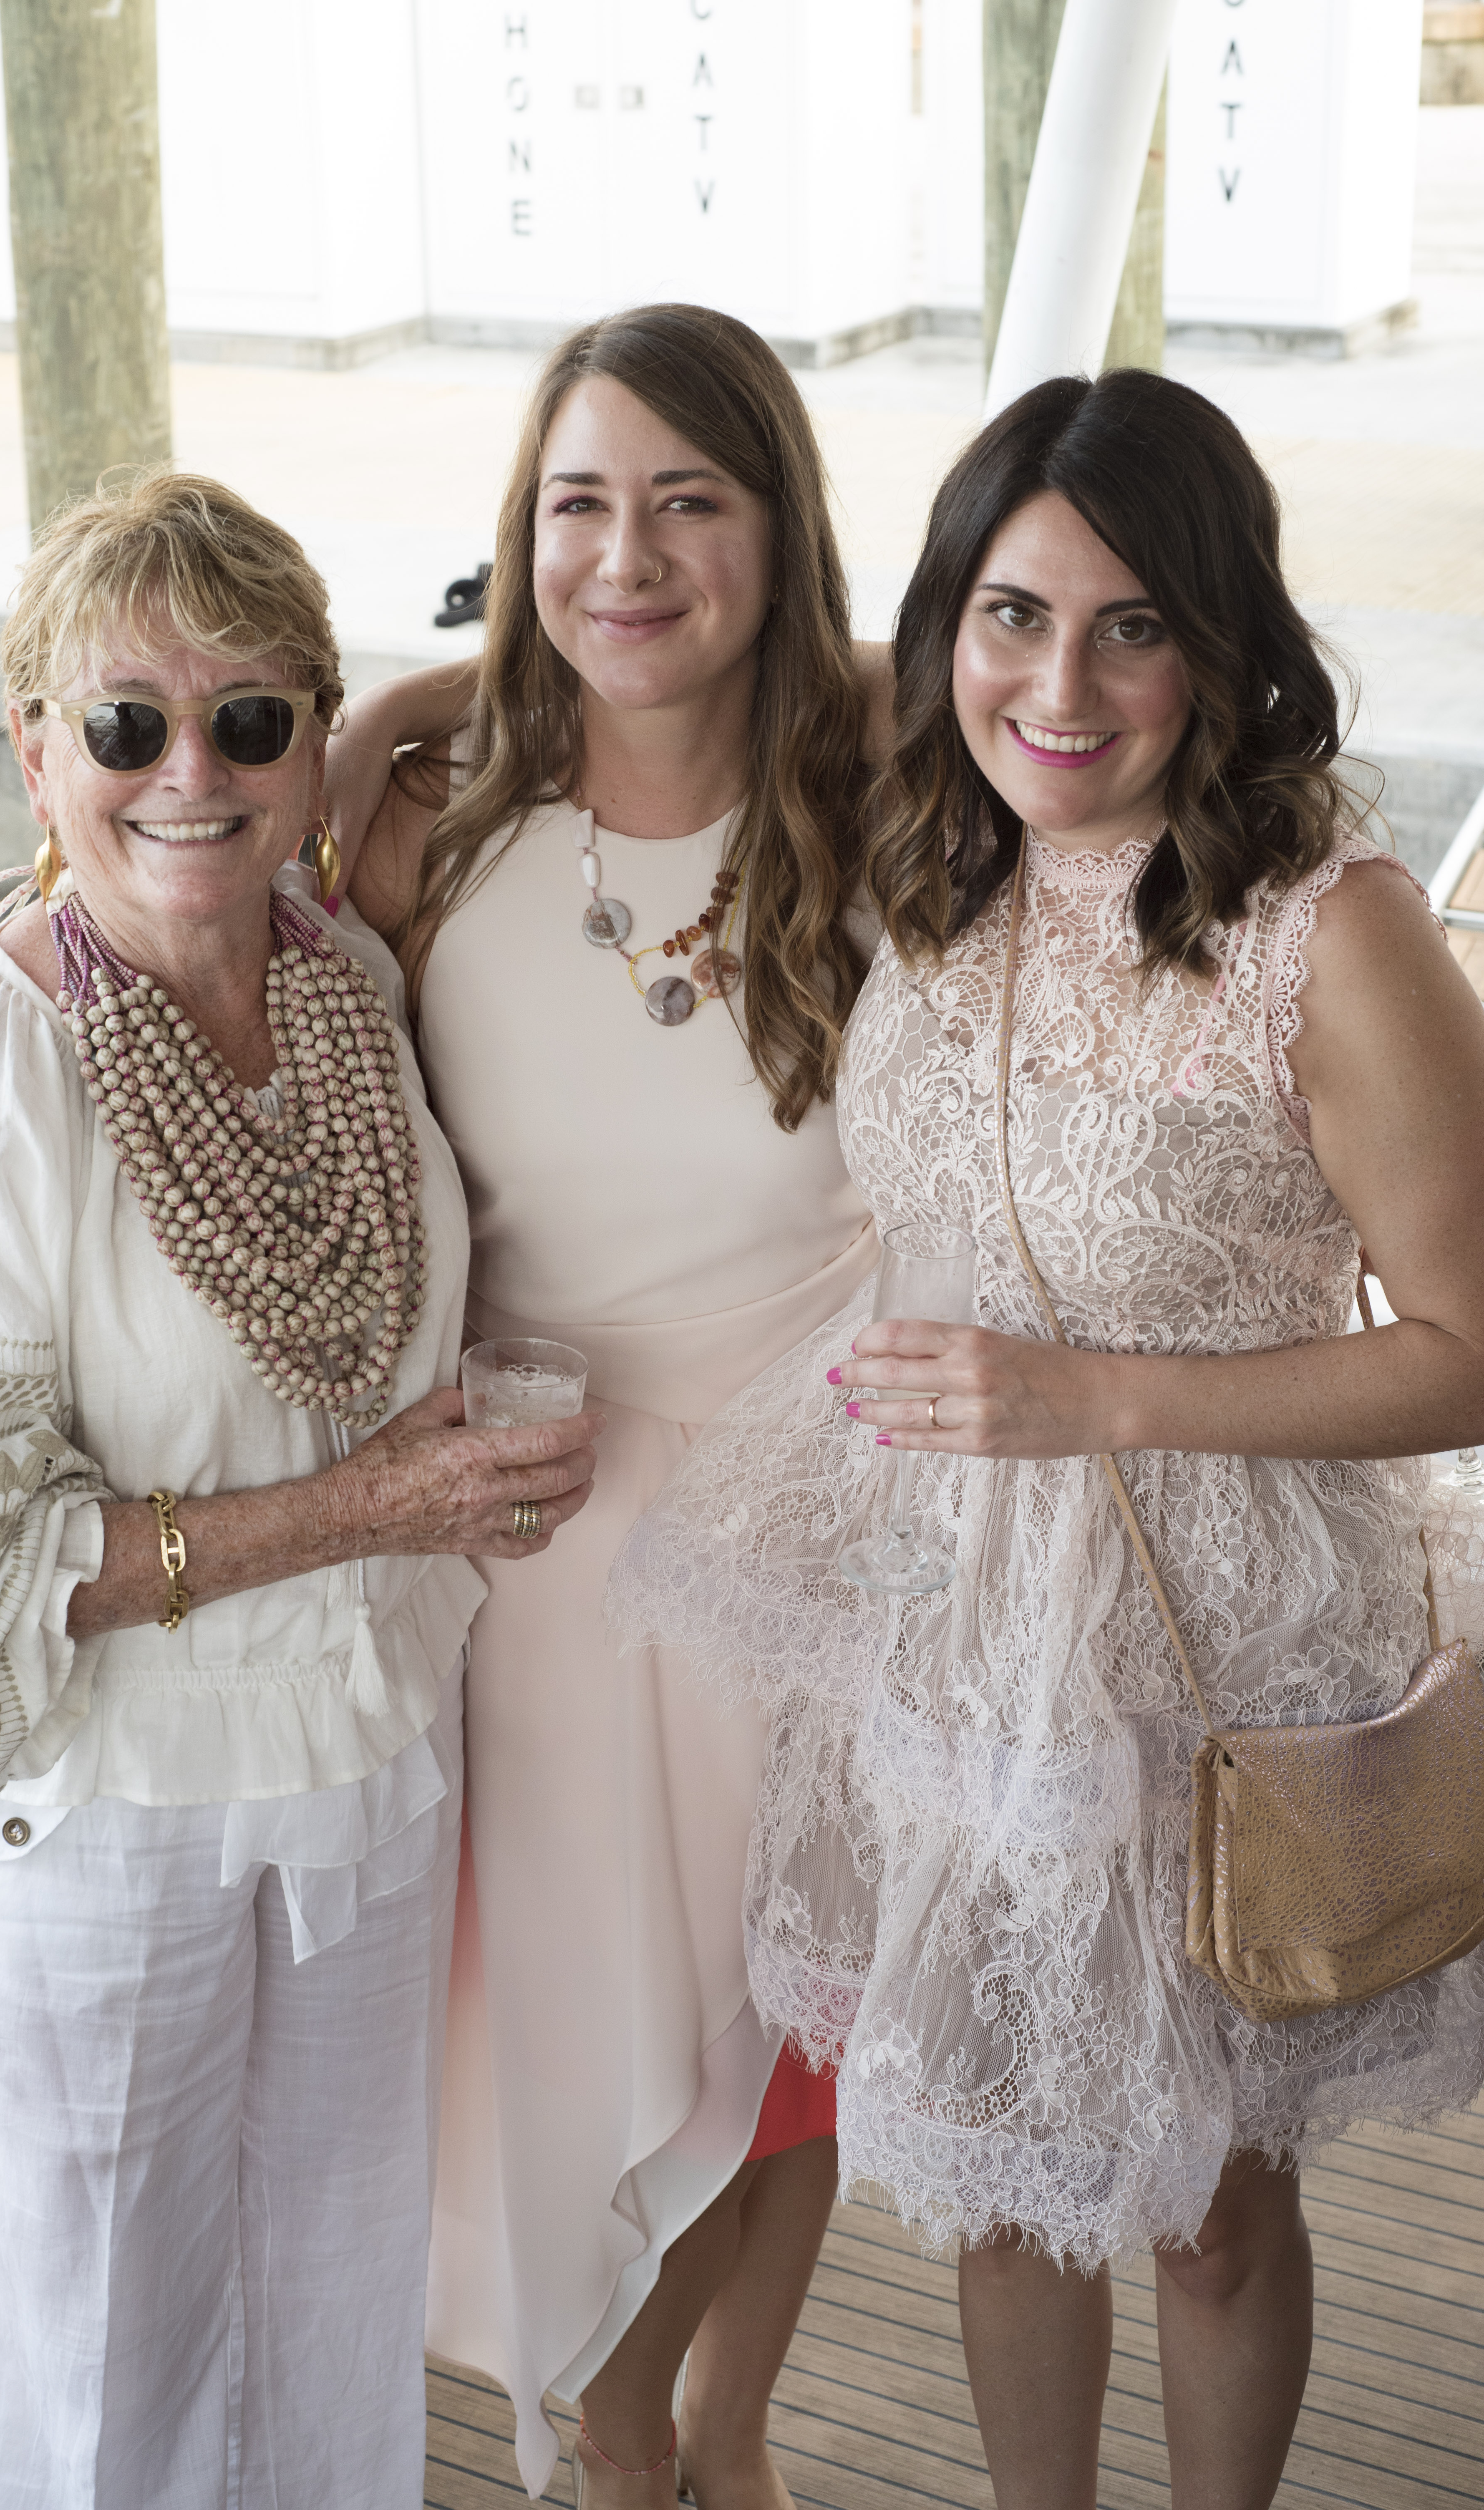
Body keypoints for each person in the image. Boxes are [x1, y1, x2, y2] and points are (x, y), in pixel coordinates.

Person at [608, 369, 1484, 2510]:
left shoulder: (1330, 930)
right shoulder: (932, 847)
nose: (1058, 688)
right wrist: (370, 720)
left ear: (1219, 639)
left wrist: (1101, 1400)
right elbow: (669, 648)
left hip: (1217, 1653)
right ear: (945, 627)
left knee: (1204, 2207)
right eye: (1011, 616)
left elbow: (1471, 1348)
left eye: (1131, 627)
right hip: (959, 1633)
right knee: (1000, 2180)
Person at [0, 470, 600, 2510]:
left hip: (364, 1776)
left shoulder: (351, 986)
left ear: (312, 744)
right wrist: (366, 1508)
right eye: (125, 722)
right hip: (114, 1815)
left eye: (251, 719)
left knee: (334, 2340)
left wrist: (452, 1481)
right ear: (33, 754)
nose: (191, 773)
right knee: (109, 2383)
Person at [322, 304, 879, 2505]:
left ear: (777, 529)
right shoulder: (428, 831)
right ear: (521, 528)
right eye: (578, 505)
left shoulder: (889, 813)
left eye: (686, 502)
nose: (624, 556)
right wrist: (393, 707)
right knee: (590, 2051)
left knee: (789, 2048)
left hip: (826, 1537)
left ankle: (731, 2428)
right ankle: (638, 2440)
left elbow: (1027, 695)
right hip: (544, 1545)